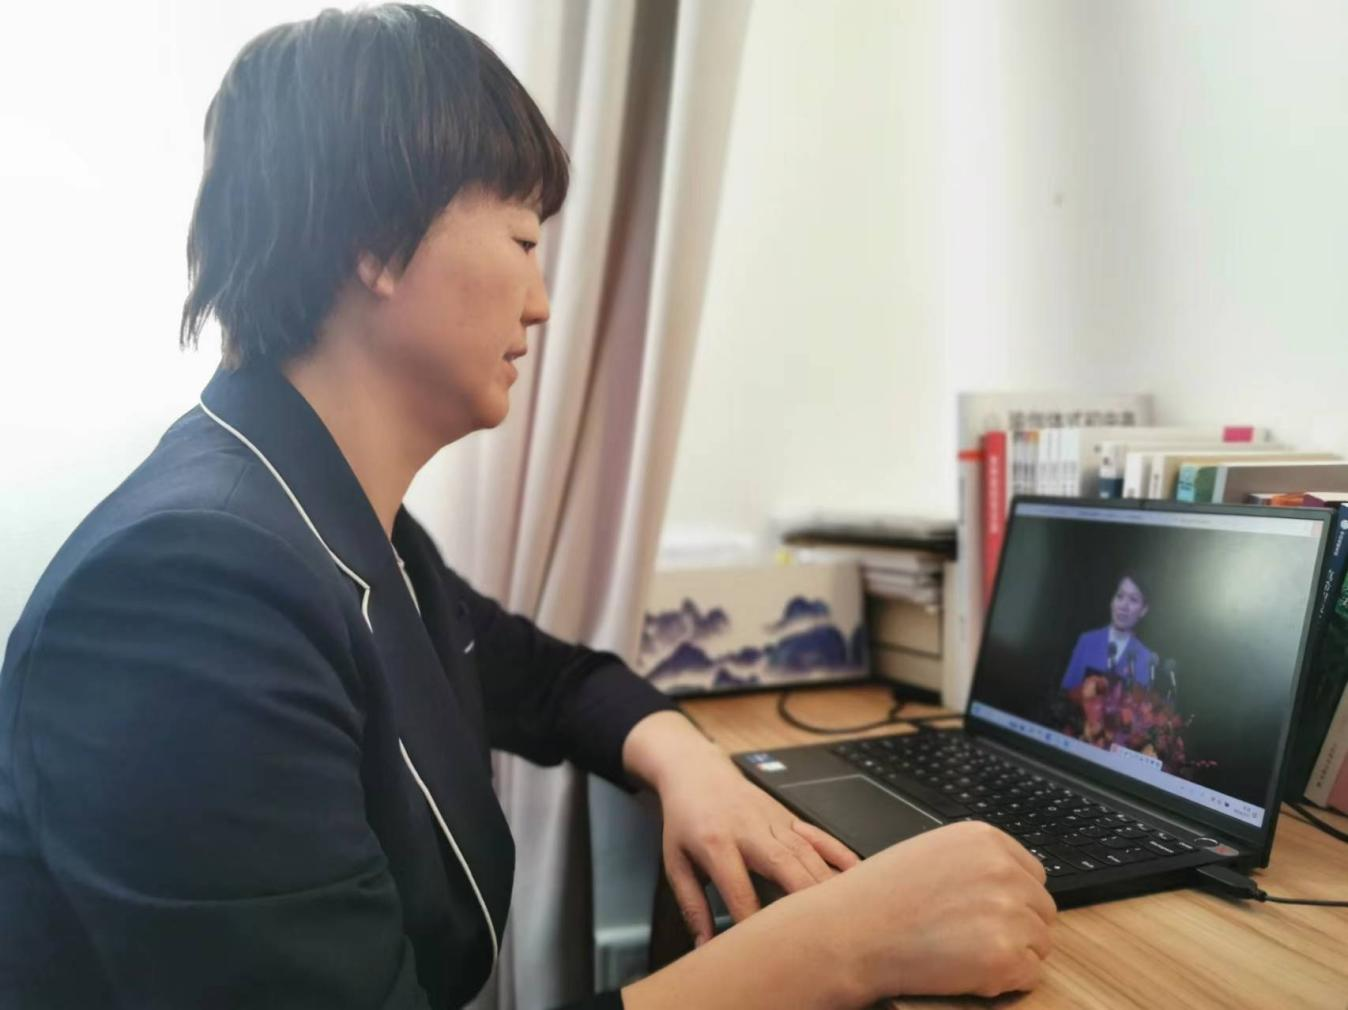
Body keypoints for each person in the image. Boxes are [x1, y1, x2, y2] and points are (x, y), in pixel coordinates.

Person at [0, 7, 1054, 1008]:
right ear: (374, 239)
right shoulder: (193, 594)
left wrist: (691, 763)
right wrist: (848, 942)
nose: (541, 302)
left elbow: (552, 681)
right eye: (521, 241)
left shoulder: (337, 524)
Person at [1060, 573, 1157, 691]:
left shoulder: (1145, 658)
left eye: (1133, 600)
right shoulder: (1087, 641)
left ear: (1143, 610)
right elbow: (1066, 692)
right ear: (1112, 601)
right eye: (1120, 596)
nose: (1123, 606)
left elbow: (1141, 700)